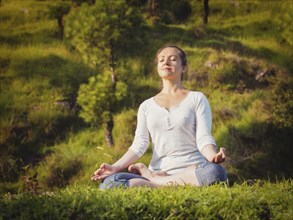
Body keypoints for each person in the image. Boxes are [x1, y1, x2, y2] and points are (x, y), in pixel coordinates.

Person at [92, 45, 227, 189]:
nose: (166, 62)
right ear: (157, 67)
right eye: (161, 60)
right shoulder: (146, 106)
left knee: (215, 172)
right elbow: (140, 144)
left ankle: (153, 181)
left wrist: (212, 156)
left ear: (184, 68)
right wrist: (114, 167)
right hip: (160, 170)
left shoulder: (196, 98)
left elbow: (203, 137)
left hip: (194, 170)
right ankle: (162, 181)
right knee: (109, 183)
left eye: (173, 59)